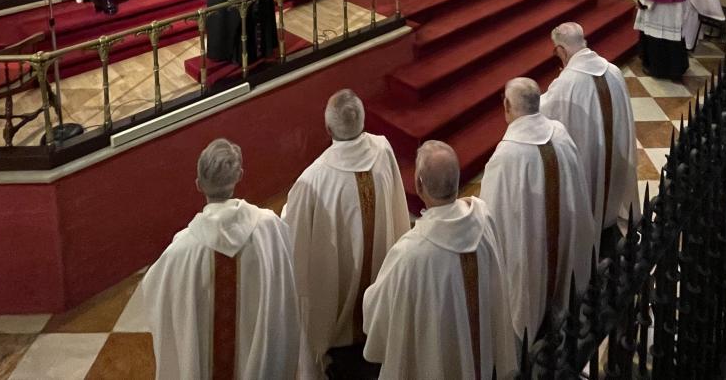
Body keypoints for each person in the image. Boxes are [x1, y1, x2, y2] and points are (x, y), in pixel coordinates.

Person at [141, 139, 303, 380]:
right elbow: (285, 288)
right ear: (240, 175)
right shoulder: (270, 227)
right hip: (260, 363)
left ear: (198, 185)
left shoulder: (182, 249)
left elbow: (155, 293)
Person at [361, 141, 517, 380]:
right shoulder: (483, 218)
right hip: (485, 358)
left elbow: (379, 314)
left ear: (418, 185)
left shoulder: (410, 253)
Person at [282, 90, 410, 370]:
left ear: (327, 129)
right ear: (363, 121)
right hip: (381, 288)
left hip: (336, 309)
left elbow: (293, 239)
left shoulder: (313, 180)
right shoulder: (383, 149)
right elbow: (399, 210)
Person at [479, 77, 595, 346]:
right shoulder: (560, 133)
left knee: (528, 287)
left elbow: (492, 218)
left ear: (507, 106)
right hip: (565, 234)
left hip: (530, 249)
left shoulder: (506, 156)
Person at [542, 22, 637, 240]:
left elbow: (543, 111)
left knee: (591, 186)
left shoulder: (567, 82)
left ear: (561, 50)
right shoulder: (612, 70)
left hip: (590, 159)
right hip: (614, 155)